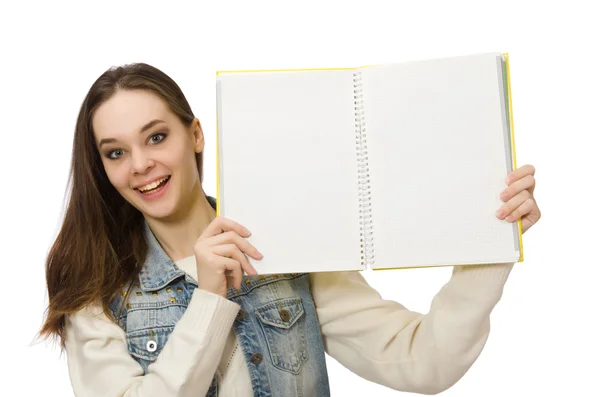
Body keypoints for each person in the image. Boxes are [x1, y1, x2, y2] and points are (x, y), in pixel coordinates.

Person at [39, 62, 541, 397]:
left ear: (194, 134)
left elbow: (421, 362)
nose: (142, 164)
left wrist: (491, 240)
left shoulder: (287, 241)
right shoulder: (95, 288)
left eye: (156, 136)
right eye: (116, 152)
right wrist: (210, 299)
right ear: (101, 167)